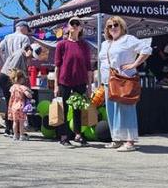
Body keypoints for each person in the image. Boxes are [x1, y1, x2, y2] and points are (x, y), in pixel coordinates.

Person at [99, 16, 152, 152]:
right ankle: (117, 139)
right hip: (108, 81)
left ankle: (130, 141)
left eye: (115, 25)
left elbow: (146, 49)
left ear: (122, 26)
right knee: (112, 112)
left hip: (124, 79)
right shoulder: (106, 43)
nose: (112, 28)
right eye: (109, 26)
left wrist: (134, 64)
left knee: (126, 110)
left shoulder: (128, 39)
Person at [54, 17, 93, 148]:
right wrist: (55, 85)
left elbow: (88, 67)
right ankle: (63, 137)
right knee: (64, 109)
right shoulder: (62, 45)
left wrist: (89, 86)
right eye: (73, 23)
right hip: (64, 81)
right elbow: (57, 66)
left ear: (81, 28)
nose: (75, 25)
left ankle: (78, 135)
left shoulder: (84, 45)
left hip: (80, 81)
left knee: (78, 109)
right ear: (68, 26)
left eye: (78, 24)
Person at [0, 43, 42, 137]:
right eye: (31, 55)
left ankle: (14, 129)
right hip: (7, 78)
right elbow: (12, 72)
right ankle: (10, 129)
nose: (31, 58)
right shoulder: (19, 55)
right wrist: (17, 86)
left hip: (11, 79)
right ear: (29, 49)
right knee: (12, 103)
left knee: (13, 104)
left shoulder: (23, 56)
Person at [8, 69, 33, 141]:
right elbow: (28, 95)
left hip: (13, 106)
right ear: (21, 79)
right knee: (21, 122)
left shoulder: (12, 87)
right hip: (21, 106)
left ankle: (15, 135)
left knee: (15, 122)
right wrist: (30, 95)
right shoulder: (23, 87)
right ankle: (22, 135)